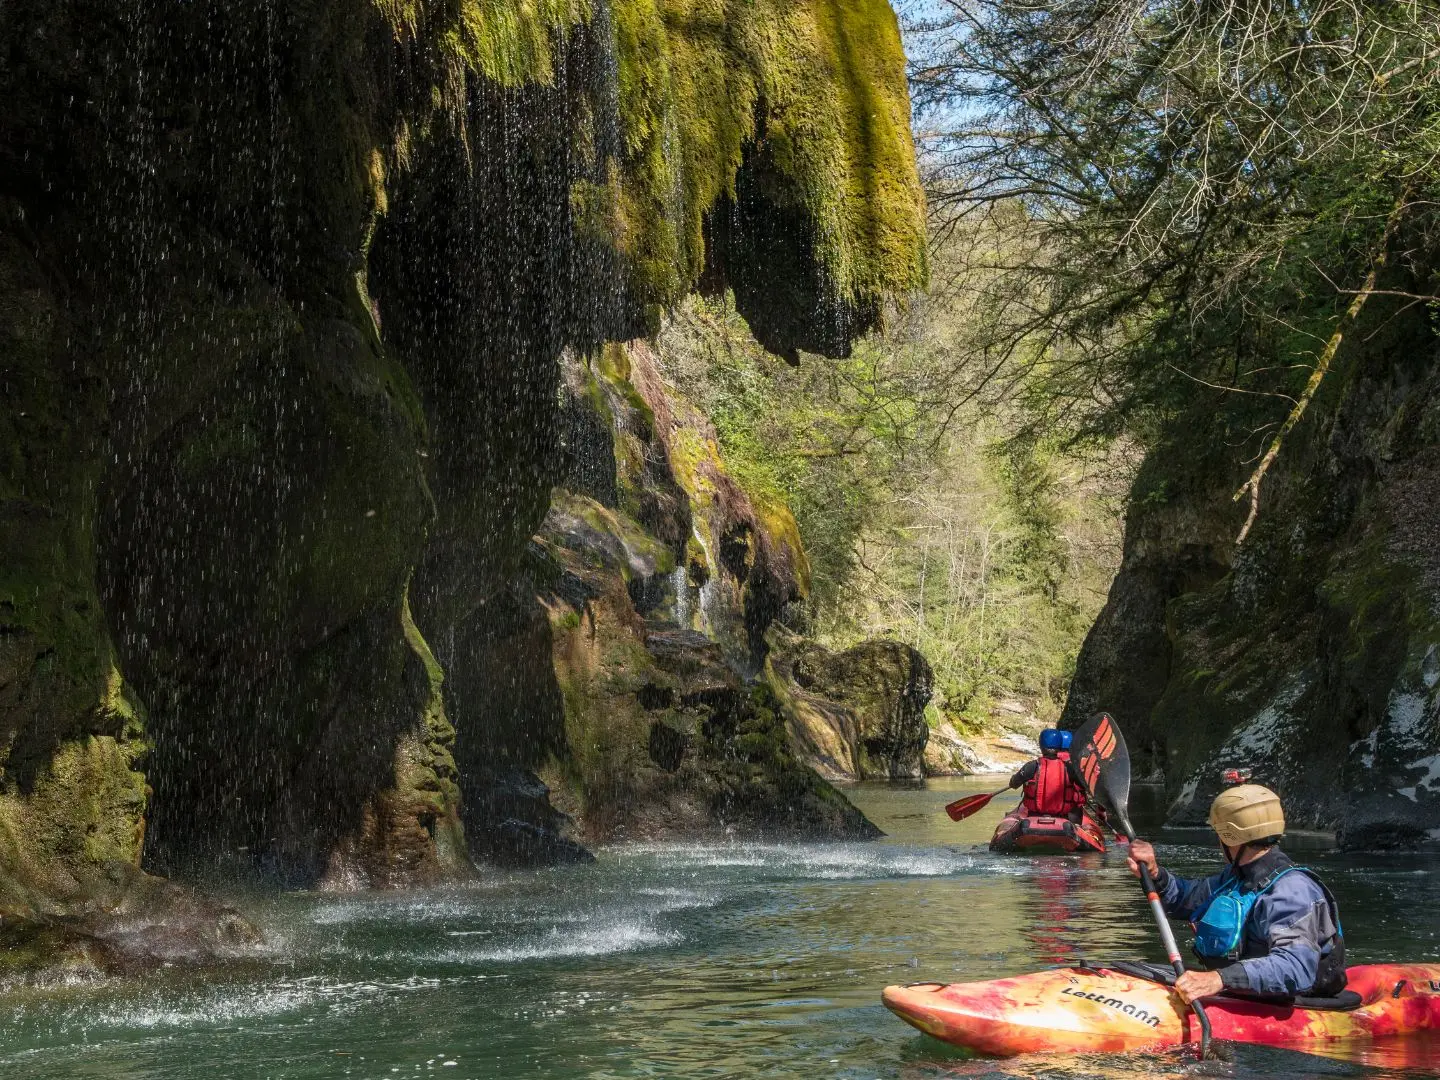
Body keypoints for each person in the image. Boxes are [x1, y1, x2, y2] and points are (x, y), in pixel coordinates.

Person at [1126, 783, 1346, 1005]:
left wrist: (1219, 978)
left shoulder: (1291, 891)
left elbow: (1295, 967)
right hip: (1240, 994)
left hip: (1291, 1004)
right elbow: (1186, 898)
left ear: (1228, 836)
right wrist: (1155, 874)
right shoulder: (1236, 879)